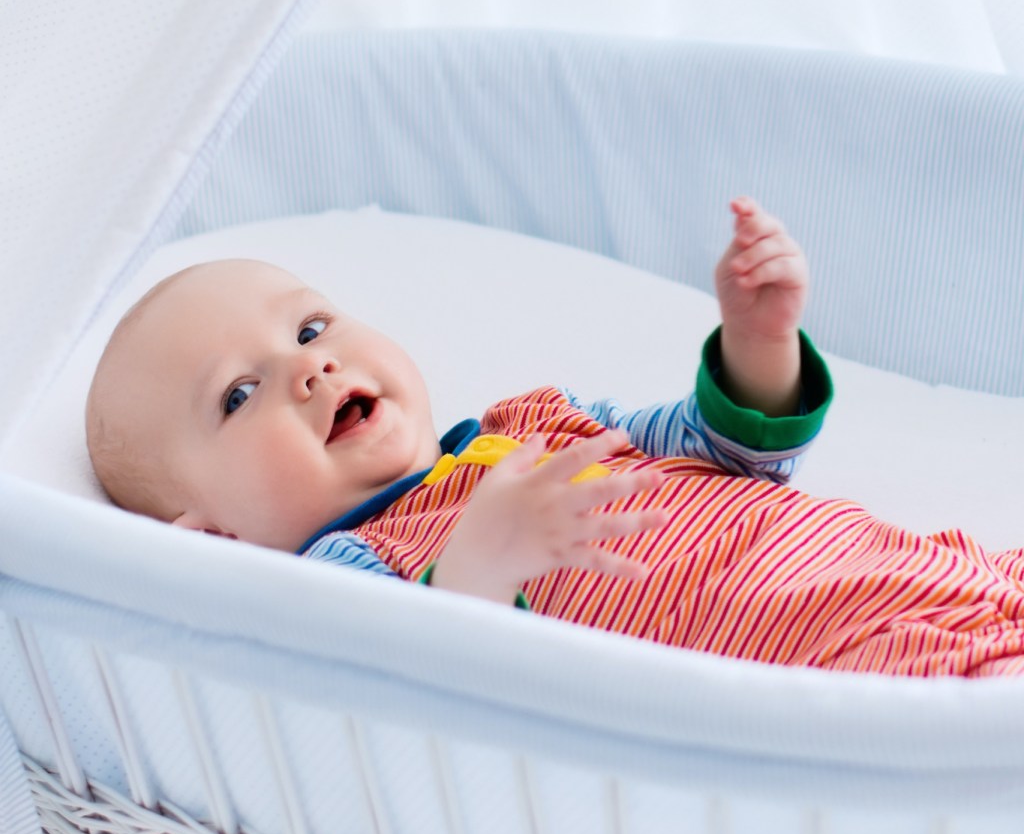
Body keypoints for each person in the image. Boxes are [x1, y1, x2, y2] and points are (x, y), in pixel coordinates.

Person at [86, 198, 1024, 677]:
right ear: (212, 539)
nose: (310, 371)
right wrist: (475, 571)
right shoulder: (346, 572)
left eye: (310, 329)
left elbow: (730, 453)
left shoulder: (532, 417)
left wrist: (756, 344)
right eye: (240, 394)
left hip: (912, 567)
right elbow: (414, 680)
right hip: (842, 662)